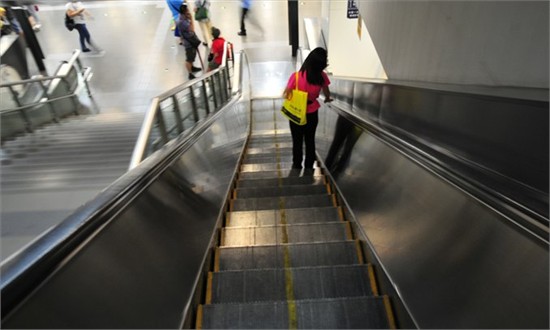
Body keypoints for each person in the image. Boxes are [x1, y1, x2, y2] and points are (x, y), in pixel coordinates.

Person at [283, 47, 333, 169]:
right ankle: (309, 165)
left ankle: (297, 164)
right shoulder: (322, 77)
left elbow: (287, 94)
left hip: (296, 112)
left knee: (297, 140)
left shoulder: (295, 76)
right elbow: (326, 92)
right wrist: (326, 98)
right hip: (312, 112)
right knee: (310, 140)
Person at [177, 3, 202, 80]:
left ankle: (192, 67)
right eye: (187, 9)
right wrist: (191, 19)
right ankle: (190, 73)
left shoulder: (183, 17)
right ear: (185, 11)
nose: (188, 10)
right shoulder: (182, 22)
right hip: (189, 43)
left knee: (192, 57)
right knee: (189, 59)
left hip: (190, 40)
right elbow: (192, 29)